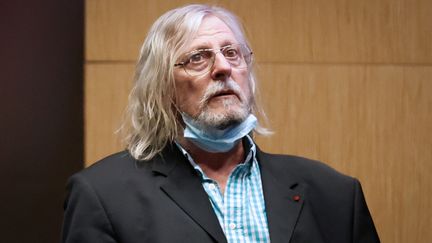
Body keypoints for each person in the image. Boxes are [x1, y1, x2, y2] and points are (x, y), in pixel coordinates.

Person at [62, 4, 380, 243]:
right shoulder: (103, 196)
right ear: (160, 88)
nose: (223, 67)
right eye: (198, 57)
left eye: (232, 53)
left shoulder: (335, 194)